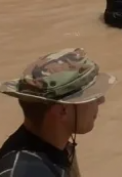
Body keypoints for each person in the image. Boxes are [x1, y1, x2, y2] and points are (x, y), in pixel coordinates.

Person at [0, 48, 115, 177]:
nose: (101, 100)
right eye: (91, 97)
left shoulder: (56, 148)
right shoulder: (26, 172)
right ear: (63, 110)